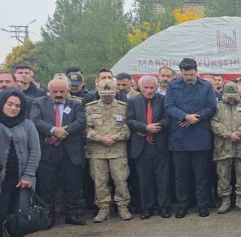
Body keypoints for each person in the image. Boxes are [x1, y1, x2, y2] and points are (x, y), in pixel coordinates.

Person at [29, 78, 87, 226]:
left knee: (72, 185)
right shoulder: (38, 102)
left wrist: (61, 133)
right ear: (49, 91)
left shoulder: (76, 104)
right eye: (55, 91)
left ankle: (72, 214)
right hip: (48, 152)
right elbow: (35, 120)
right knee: (46, 186)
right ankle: (47, 217)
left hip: (70, 152)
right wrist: (53, 130)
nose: (59, 94)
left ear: (68, 91)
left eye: (62, 91)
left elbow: (80, 122)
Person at [165, 58, 218, 218]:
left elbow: (212, 107)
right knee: (181, 175)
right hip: (179, 137)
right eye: (186, 74)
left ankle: (202, 204)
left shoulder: (206, 86)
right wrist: (185, 116)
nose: (189, 77)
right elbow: (169, 107)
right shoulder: (172, 86)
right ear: (181, 72)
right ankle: (182, 205)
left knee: (201, 174)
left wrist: (196, 118)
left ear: (196, 71)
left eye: (191, 74)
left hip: (200, 136)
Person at [0, 89, 40, 237]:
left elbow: (35, 151)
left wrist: (28, 175)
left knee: (19, 219)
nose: (13, 108)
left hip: (20, 181)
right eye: (10, 104)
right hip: (2, 182)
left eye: (18, 105)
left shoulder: (28, 125)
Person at [85, 80, 132, 222]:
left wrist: (115, 137)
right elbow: (86, 128)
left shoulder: (123, 107)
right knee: (99, 181)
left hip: (117, 150)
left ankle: (123, 206)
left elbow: (127, 127)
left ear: (116, 92)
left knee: (120, 179)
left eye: (110, 94)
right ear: (98, 92)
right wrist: (99, 138)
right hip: (98, 151)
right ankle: (103, 207)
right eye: (104, 94)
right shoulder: (90, 108)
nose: (107, 97)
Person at [126, 76, 173, 219]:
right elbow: (130, 120)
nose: (149, 90)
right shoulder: (133, 101)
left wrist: (157, 127)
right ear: (140, 88)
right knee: (144, 180)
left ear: (157, 87)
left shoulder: (164, 100)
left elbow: (169, 118)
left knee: (163, 179)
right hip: (142, 146)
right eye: (146, 88)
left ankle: (163, 207)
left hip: (159, 145)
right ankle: (147, 208)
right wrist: (146, 127)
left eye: (152, 87)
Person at [211, 82, 241, 213]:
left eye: (233, 95)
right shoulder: (217, 107)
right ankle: (225, 200)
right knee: (223, 175)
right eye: (228, 96)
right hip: (223, 147)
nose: (231, 98)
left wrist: (239, 133)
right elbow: (214, 123)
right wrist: (228, 135)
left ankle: (240, 199)